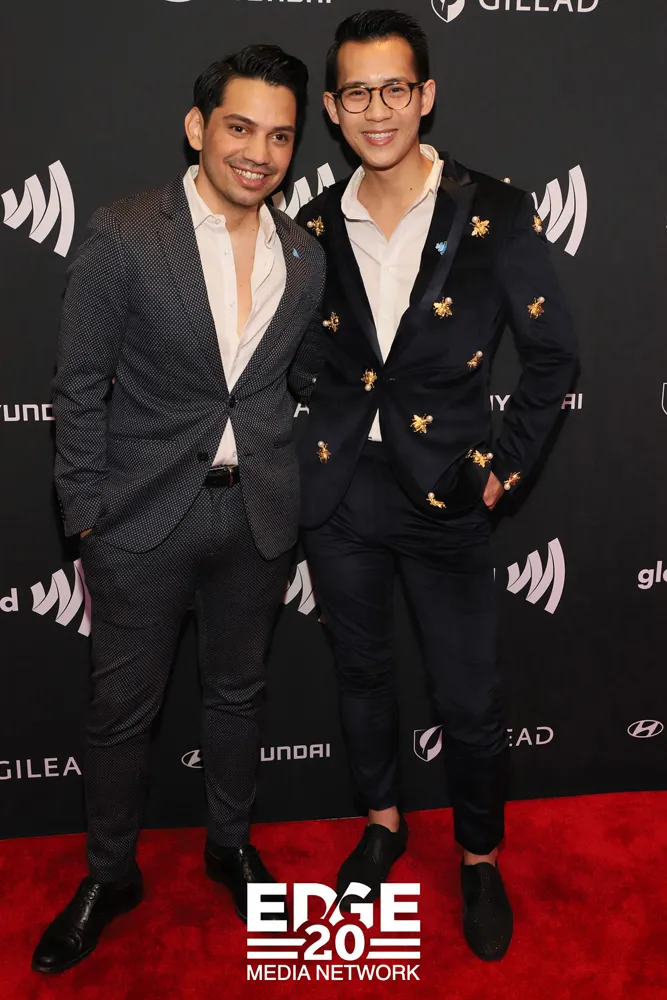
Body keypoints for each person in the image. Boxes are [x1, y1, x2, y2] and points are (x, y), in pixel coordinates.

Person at [32, 45, 325, 974]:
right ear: (198, 127)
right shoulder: (124, 233)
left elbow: (280, 385)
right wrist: (88, 516)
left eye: (279, 136)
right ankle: (109, 874)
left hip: (257, 519)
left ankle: (229, 846)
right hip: (140, 521)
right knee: (121, 713)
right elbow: (79, 385)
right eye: (239, 128)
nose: (258, 153)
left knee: (239, 695)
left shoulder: (304, 255)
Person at [296, 9, 577, 962]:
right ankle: (382, 824)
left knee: (467, 696)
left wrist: (500, 473)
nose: (377, 110)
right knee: (361, 674)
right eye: (357, 92)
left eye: (394, 88)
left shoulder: (493, 208)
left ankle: (479, 856)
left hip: (446, 492)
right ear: (332, 108)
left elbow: (552, 357)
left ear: (424, 95)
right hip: (339, 493)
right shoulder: (311, 224)